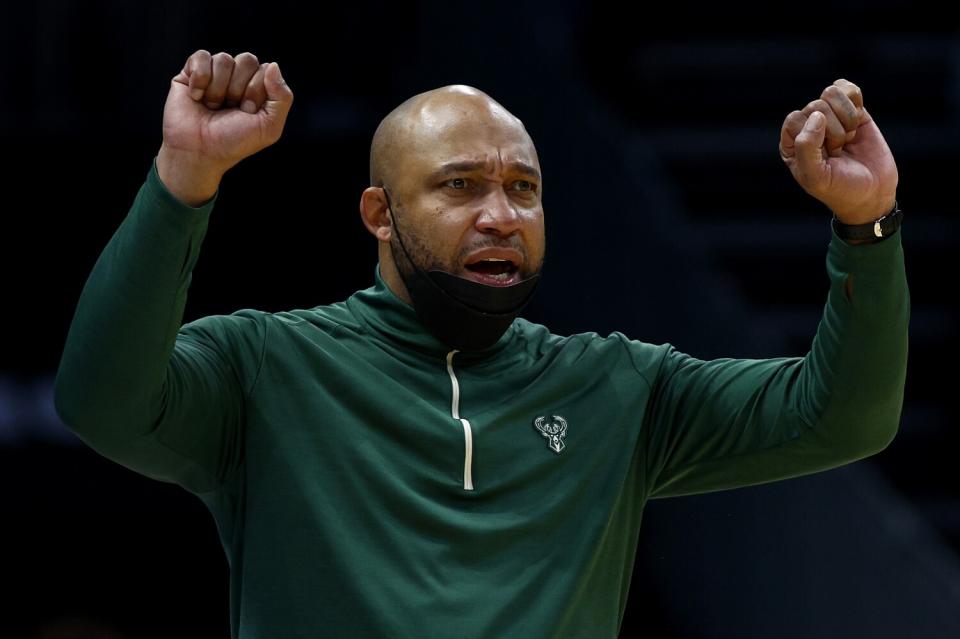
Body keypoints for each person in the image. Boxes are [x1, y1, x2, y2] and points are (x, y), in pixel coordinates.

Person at [53, 49, 909, 638]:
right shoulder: (267, 367)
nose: (500, 214)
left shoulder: (618, 386)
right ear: (379, 216)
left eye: (523, 189)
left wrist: (866, 222)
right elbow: (100, 401)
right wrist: (183, 179)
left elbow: (842, 417)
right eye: (460, 186)